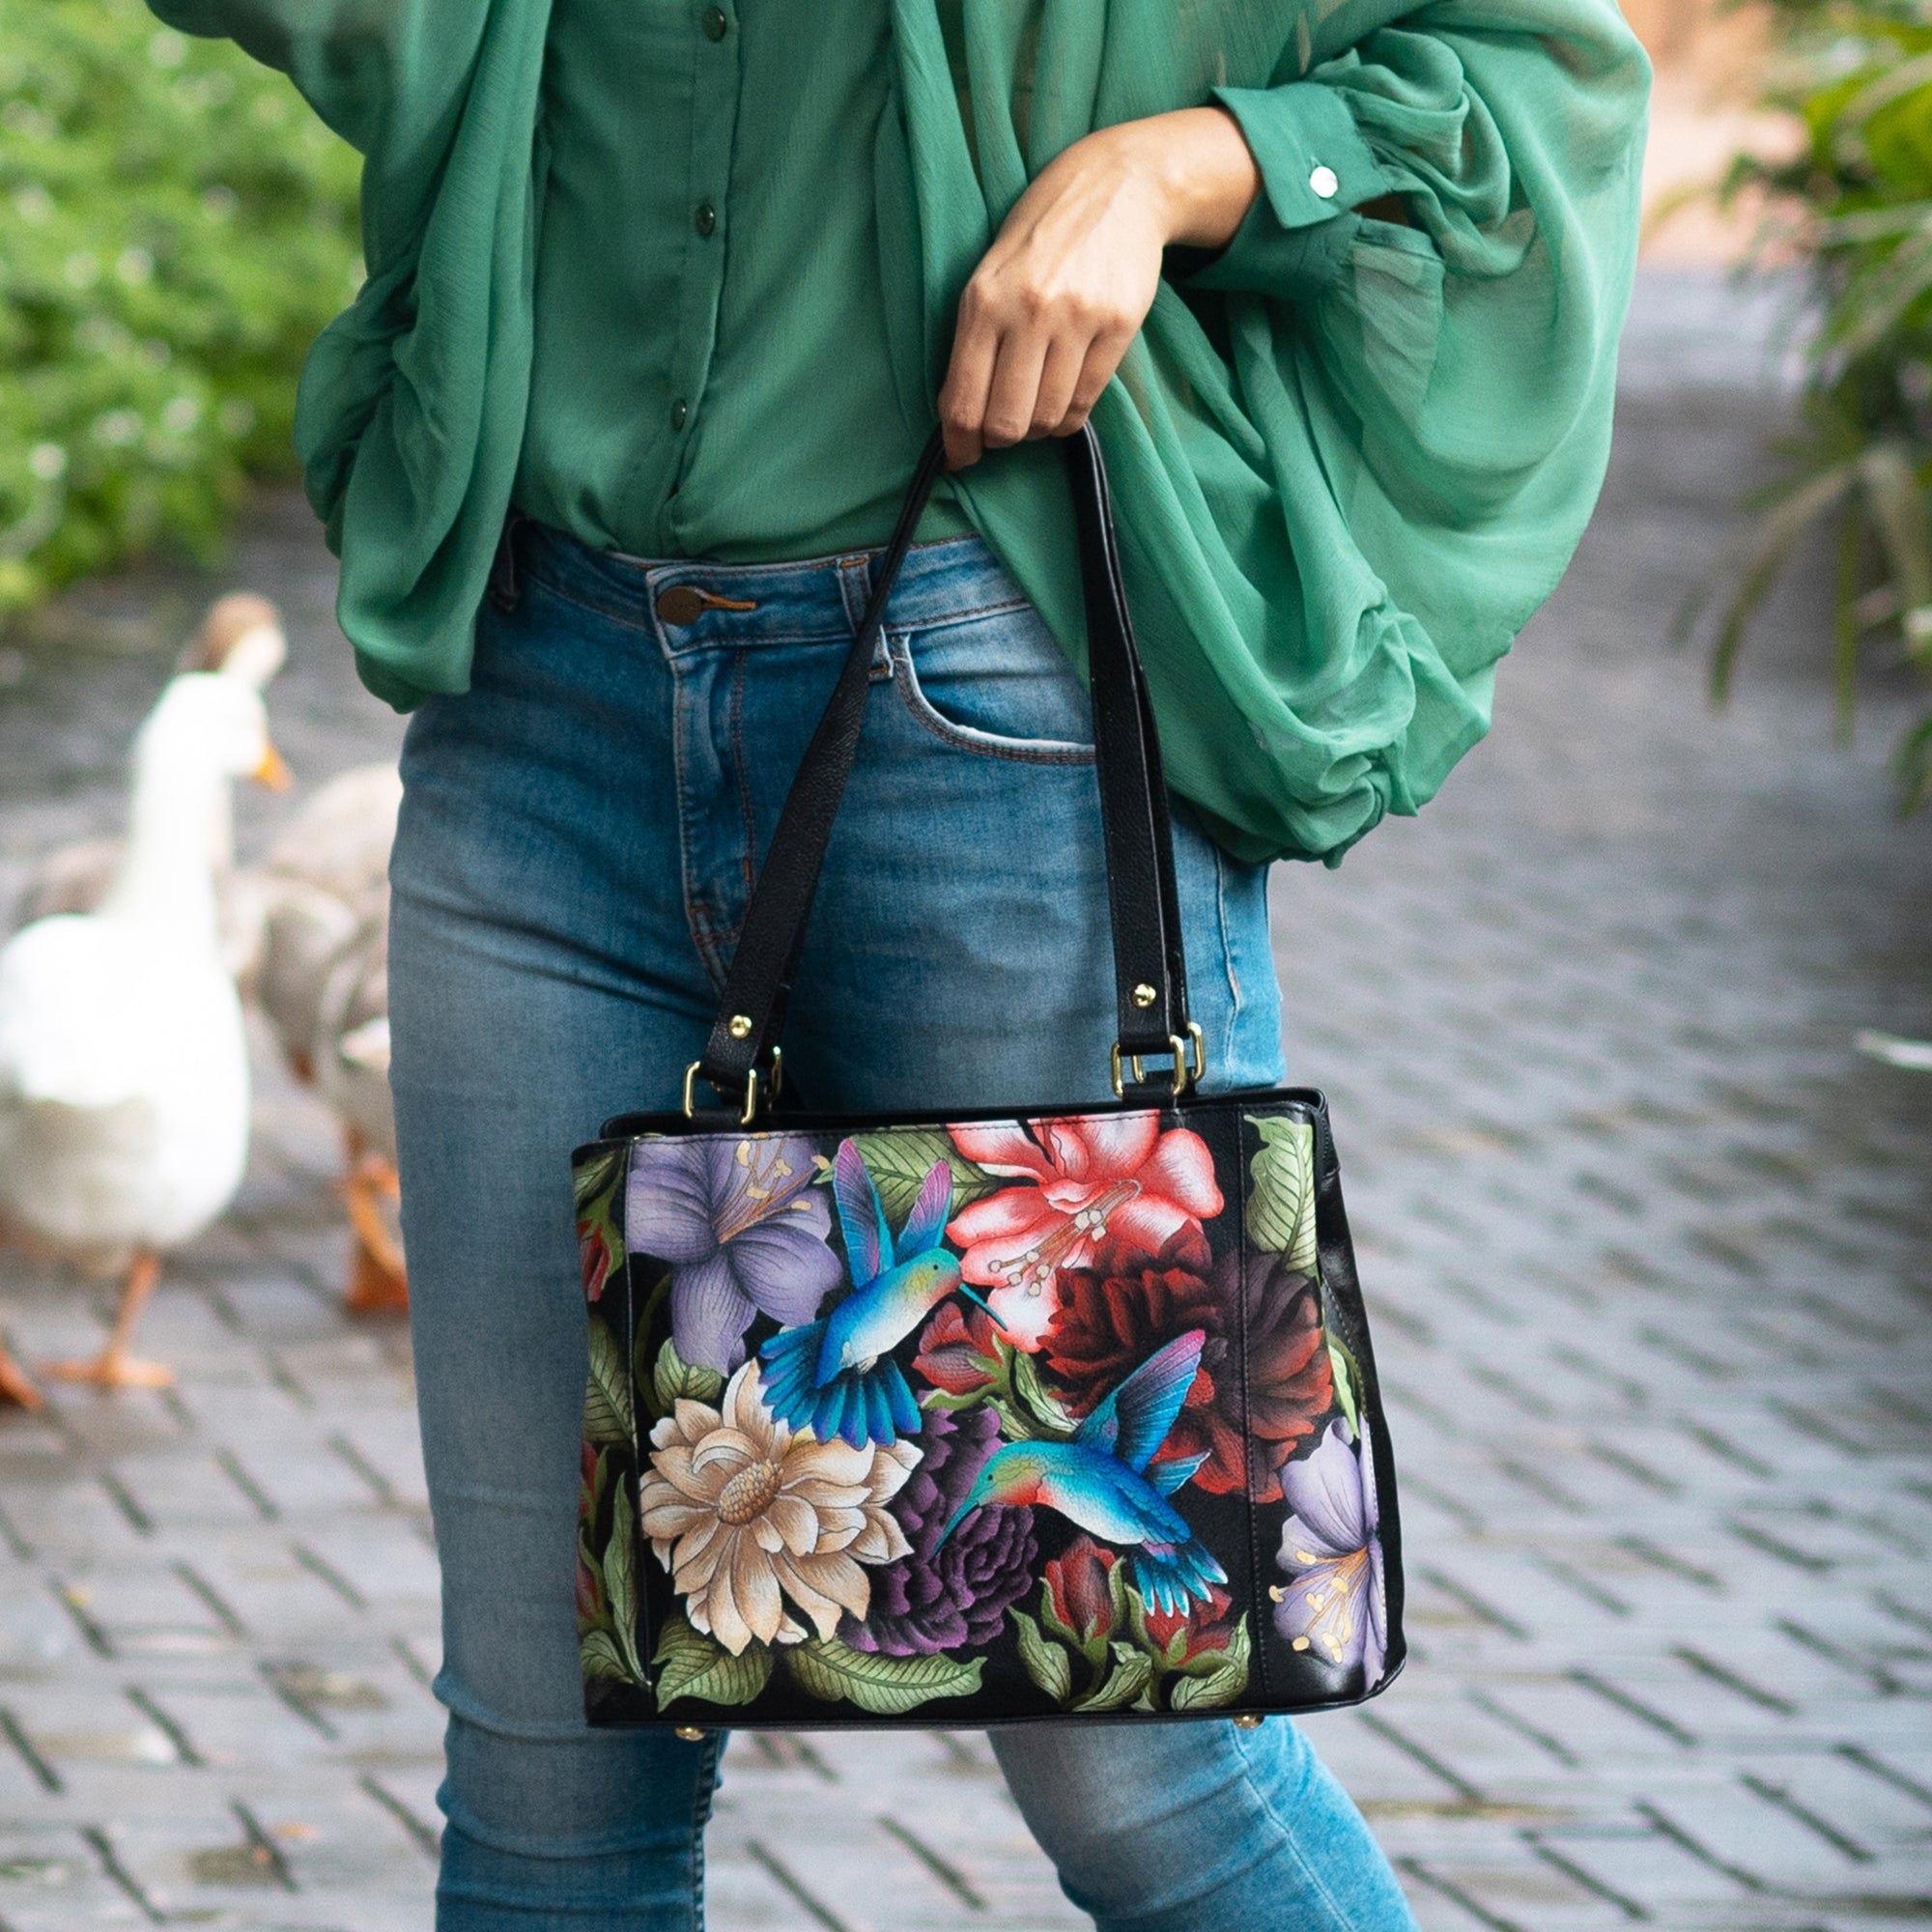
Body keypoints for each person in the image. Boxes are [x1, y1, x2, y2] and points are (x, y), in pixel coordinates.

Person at [149, 0, 1649, 1923]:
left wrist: (1171, 166)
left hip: (990, 712)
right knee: (540, 1778)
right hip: (540, 714)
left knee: (1141, 1760)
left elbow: (1527, 73)